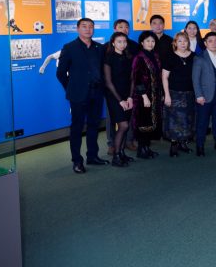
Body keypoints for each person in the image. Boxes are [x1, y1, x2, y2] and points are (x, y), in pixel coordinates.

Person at [56, 18, 109, 173]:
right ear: (77, 29)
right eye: (84, 26)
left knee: (94, 125)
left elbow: (102, 70)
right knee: (77, 128)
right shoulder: (69, 48)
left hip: (96, 93)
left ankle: (92, 156)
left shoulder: (99, 48)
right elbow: (60, 73)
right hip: (78, 95)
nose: (88, 29)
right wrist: (71, 88)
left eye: (91, 26)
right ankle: (77, 161)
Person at [192, 32, 216, 156]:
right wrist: (198, 95)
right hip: (204, 97)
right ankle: (200, 146)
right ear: (205, 43)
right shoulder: (199, 58)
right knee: (202, 123)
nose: (213, 43)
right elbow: (195, 79)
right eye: (210, 41)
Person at [161, 32, 196, 156]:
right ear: (175, 43)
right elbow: (164, 77)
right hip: (174, 94)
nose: (183, 43)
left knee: (188, 119)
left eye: (185, 41)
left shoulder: (194, 56)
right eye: (180, 41)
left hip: (190, 94)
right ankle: (174, 145)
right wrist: (167, 95)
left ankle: (183, 143)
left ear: (188, 42)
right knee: (174, 120)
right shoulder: (169, 56)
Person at [131, 31, 164, 159]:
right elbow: (136, 79)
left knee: (151, 122)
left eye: (153, 41)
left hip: (154, 94)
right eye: (148, 41)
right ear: (142, 42)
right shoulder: (139, 57)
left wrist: (161, 93)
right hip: (142, 96)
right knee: (143, 122)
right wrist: (144, 96)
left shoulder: (155, 55)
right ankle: (141, 149)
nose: (151, 43)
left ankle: (146, 148)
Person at [103, 32, 133, 167]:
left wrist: (130, 97)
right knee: (123, 125)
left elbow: (132, 79)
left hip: (127, 96)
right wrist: (120, 100)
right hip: (114, 96)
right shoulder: (108, 58)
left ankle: (121, 153)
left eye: (124, 41)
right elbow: (108, 82)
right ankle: (116, 156)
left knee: (126, 125)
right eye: (119, 41)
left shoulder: (128, 57)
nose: (122, 44)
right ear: (113, 43)